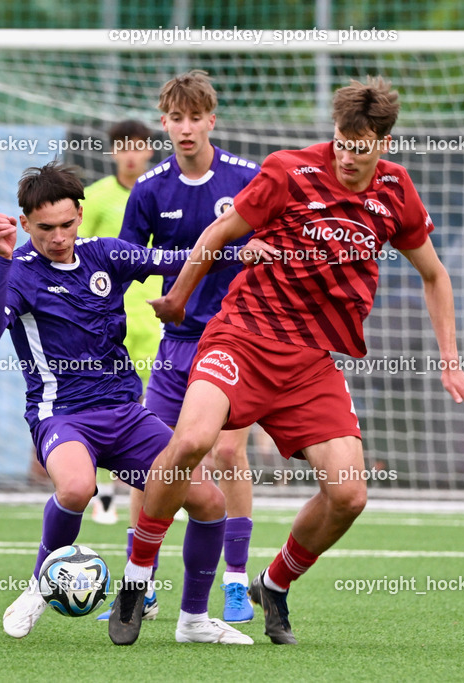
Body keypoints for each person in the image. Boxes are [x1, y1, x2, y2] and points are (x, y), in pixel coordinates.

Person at [108, 76, 464, 647]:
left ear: (383, 143)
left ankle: (274, 583)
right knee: (190, 443)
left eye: (361, 148)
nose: (348, 157)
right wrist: (181, 296)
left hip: (311, 363)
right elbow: (219, 231)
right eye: (341, 142)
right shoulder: (288, 170)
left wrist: (452, 362)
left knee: (349, 494)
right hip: (241, 335)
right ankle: (138, 577)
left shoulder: (396, 191)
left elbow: (434, 275)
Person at [0, 161, 251, 645]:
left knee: (209, 501)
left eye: (66, 224)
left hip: (126, 414)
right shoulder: (19, 272)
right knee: (78, 488)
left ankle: (193, 621)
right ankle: (40, 586)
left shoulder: (104, 254)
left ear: (80, 215)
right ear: (24, 225)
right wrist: (0, 261)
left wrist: (243, 249)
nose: (58, 237)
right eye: (44, 228)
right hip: (62, 414)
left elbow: (180, 260)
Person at [101, 71, 262, 625]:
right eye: (176, 117)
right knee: (150, 464)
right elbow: (121, 263)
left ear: (211, 120)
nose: (186, 127)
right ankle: (138, 586)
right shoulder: (150, 190)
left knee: (227, 452)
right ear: (163, 122)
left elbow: (276, 243)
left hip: (239, 342)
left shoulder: (248, 177)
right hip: (176, 346)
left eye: (197, 117)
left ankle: (236, 584)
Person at [78, 119, 157, 526]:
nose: (131, 154)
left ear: (148, 150)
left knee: (154, 409)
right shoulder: (95, 198)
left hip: (158, 318)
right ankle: (104, 495)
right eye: (123, 146)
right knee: (111, 404)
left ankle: (154, 488)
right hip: (111, 320)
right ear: (112, 152)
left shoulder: (161, 192)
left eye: (138, 146)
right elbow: (75, 253)